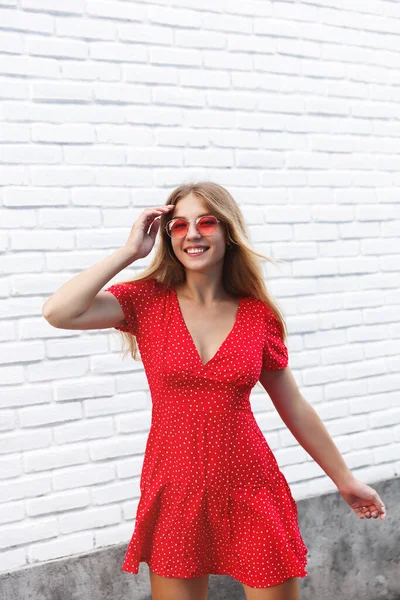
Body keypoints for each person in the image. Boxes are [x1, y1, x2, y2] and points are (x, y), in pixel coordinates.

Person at [42, 181, 386, 600]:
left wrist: (345, 480)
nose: (193, 234)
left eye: (206, 222)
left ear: (227, 231)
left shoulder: (258, 315)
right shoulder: (146, 301)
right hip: (177, 488)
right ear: (168, 236)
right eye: (180, 225)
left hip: (250, 488)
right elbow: (58, 312)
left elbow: (293, 406)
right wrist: (130, 253)